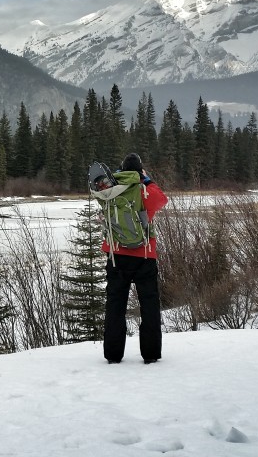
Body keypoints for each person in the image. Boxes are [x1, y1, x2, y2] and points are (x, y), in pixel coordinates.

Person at [103, 152, 168, 365]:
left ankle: (113, 355)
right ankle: (150, 354)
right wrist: (147, 179)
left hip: (116, 254)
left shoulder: (110, 191)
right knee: (149, 305)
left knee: (115, 305)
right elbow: (162, 199)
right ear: (140, 170)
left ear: (121, 169)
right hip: (144, 255)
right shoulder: (145, 189)